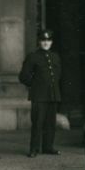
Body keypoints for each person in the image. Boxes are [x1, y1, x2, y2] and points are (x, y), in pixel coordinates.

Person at [19, 29, 62, 157]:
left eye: (48, 40)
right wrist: (36, 85)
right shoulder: (33, 57)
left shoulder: (55, 56)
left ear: (51, 42)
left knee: (50, 122)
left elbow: (59, 75)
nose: (46, 43)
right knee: (37, 122)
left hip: (53, 94)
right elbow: (23, 76)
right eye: (43, 40)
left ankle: (48, 147)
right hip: (39, 95)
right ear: (39, 42)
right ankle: (34, 149)